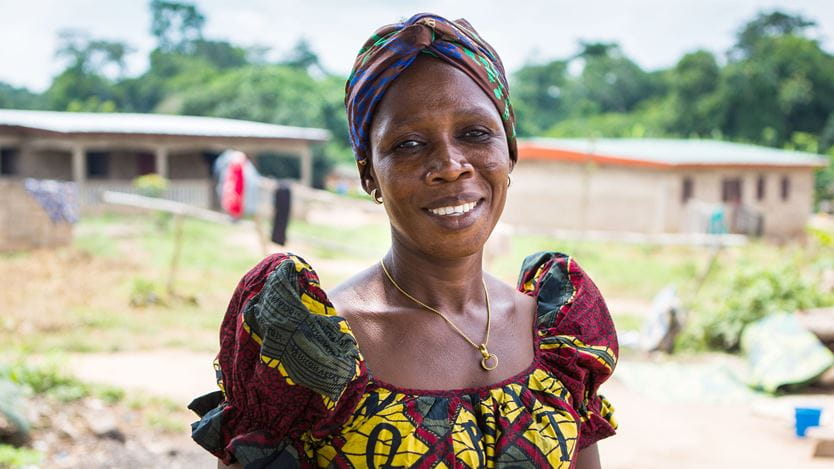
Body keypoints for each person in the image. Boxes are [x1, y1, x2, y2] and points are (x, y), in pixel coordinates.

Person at [189, 13, 618, 469]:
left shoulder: (559, 341)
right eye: (409, 144)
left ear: (509, 150)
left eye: (475, 133)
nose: (450, 165)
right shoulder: (307, 354)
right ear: (368, 173)